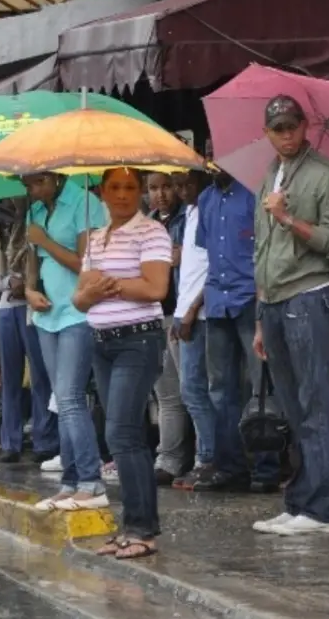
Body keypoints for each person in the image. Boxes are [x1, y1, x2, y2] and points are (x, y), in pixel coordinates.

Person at [252, 95, 329, 536]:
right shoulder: (268, 177)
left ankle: (322, 510)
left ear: (305, 126)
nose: (286, 134)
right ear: (267, 132)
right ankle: (299, 502)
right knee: (293, 409)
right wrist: (259, 315)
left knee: (315, 404)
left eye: (292, 126)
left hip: (309, 296)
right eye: (278, 128)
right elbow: (260, 248)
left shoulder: (325, 176)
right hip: (273, 302)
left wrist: (289, 218)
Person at [73, 167, 172, 560]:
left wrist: (106, 285)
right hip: (101, 342)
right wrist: (92, 290)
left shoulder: (151, 232)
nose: (122, 194)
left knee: (123, 433)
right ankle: (131, 524)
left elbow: (155, 288)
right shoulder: (96, 238)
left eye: (131, 187)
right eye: (114, 187)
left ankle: (142, 530)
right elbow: (79, 300)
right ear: (100, 191)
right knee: (115, 437)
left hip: (138, 339)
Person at [22, 173, 108, 511]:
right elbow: (31, 262)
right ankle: (71, 482)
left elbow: (84, 264)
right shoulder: (36, 210)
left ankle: (91, 481)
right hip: (47, 314)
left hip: (78, 312)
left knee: (71, 396)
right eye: (26, 185)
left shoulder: (84, 202)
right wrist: (30, 291)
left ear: (53, 177)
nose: (30, 190)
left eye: (34, 183)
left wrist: (44, 241)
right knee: (62, 399)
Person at [193, 165, 281, 493]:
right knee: (220, 389)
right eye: (210, 155)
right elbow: (207, 254)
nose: (214, 162)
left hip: (251, 299)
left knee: (260, 387)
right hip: (217, 301)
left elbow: (267, 250)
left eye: (220, 155)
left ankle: (266, 468)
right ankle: (230, 467)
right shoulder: (205, 198)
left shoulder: (255, 195)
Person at [0, 201, 57, 465]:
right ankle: (10, 441)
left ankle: (45, 440)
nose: (10, 203)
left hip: (35, 306)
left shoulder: (36, 223)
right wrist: (10, 283)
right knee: (10, 378)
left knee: (41, 376)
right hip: (7, 305)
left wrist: (28, 285)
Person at [170, 169, 217, 490]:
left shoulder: (209, 211)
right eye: (178, 185)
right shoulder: (187, 214)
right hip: (184, 311)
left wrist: (190, 311)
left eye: (188, 183)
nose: (182, 190)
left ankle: (207, 458)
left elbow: (214, 268)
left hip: (200, 315)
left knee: (196, 390)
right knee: (193, 390)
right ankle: (207, 457)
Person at [147, 172, 188, 484]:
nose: (160, 194)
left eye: (166, 187)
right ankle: (168, 459)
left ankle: (202, 456)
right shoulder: (146, 225)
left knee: (193, 391)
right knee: (167, 395)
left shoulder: (187, 218)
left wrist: (181, 256)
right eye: (153, 188)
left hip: (182, 315)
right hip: (153, 315)